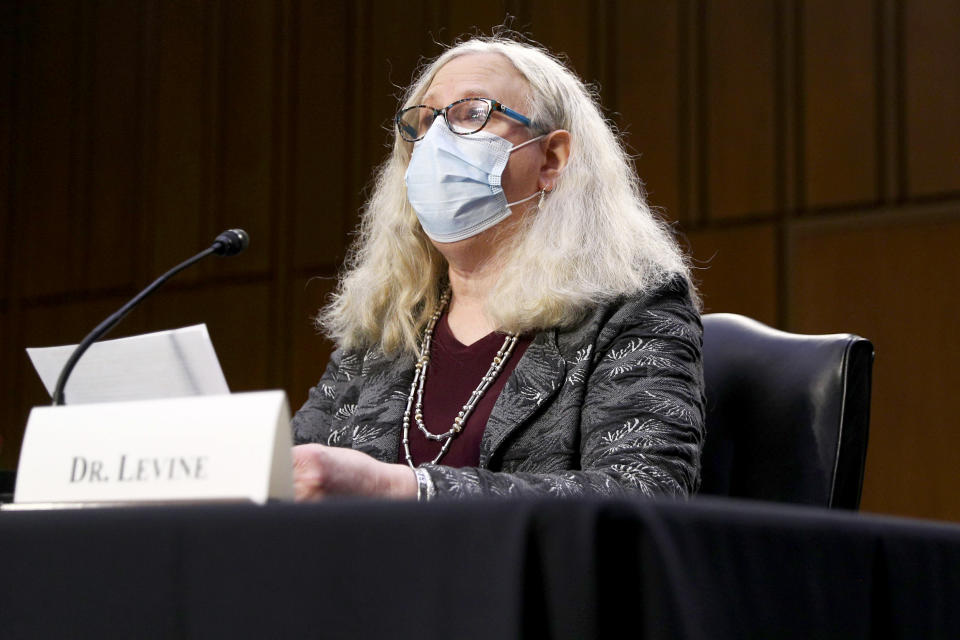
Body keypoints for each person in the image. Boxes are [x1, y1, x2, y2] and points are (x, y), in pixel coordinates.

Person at [291, 35, 705, 502]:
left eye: (472, 114)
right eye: (426, 122)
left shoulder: (632, 308)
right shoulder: (388, 324)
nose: (436, 141)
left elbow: (643, 492)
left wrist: (406, 488)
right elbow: (295, 469)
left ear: (551, 159)